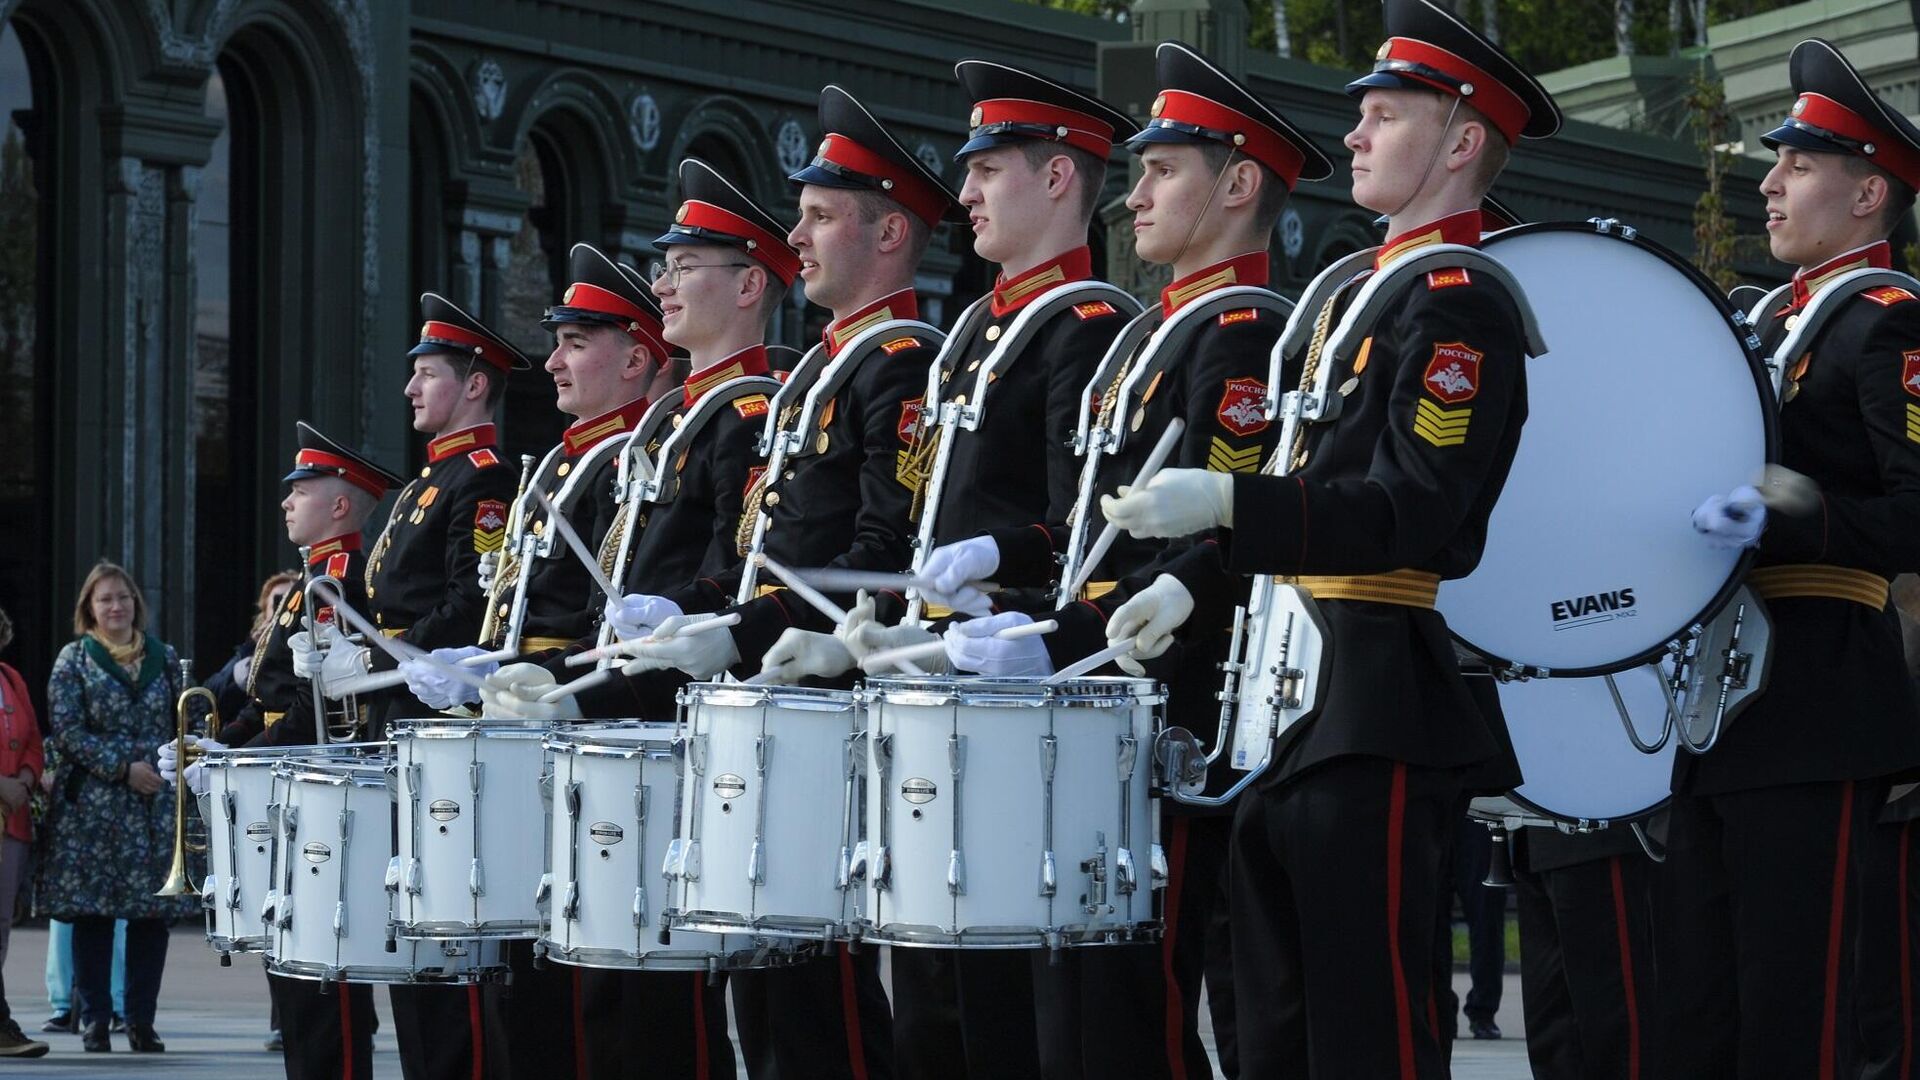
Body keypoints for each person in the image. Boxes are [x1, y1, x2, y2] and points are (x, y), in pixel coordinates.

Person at [1097, 1, 1559, 1073]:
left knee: (1367, 1030)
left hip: (1371, 697)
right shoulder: (1355, 295)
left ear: (1458, 143)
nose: (1352, 134)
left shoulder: (1460, 306)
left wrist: (1226, 508)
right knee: (1271, 1032)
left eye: (1385, 114)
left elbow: (1411, 514)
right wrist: (1197, 576)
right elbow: (1311, 482)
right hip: (1283, 702)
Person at [900, 41, 1323, 1078]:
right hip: (1096, 695)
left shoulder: (1239, 332)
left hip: (1164, 711)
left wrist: (1064, 633)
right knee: (1064, 1017)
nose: (1134, 196)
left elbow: (1212, 550)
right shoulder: (1154, 338)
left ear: (1236, 186)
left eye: (1162, 170)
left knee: (1124, 1016)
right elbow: (1079, 530)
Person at [1681, 37, 1920, 1077]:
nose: (1769, 183)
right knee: (1703, 1014)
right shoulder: (1758, 323)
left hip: (1821, 700)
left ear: (1871, 193)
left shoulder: (1891, 324)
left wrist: (1797, 510)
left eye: (1799, 165)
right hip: (1720, 704)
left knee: (1799, 1016)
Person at [405, 243, 675, 1079]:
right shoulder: (559, 461)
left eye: (575, 343)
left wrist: (537, 678)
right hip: (533, 747)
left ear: (636, 359)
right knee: (532, 992)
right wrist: (476, 662)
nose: (552, 360)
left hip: (599, 747)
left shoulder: (637, 458)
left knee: (607, 1006)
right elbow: (513, 607)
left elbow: (613, 617)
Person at [296, 293, 526, 1080]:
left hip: (441, 727)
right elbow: (371, 601)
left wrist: (393, 655)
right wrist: (329, 649)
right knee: (408, 942)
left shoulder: (484, 478)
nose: (410, 390)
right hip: (393, 725)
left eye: (427, 374)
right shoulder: (413, 491)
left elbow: (479, 594)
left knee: (446, 947)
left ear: (473, 385)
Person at [166, 424, 401, 1078]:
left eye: (302, 490)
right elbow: (270, 695)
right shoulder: (308, 578)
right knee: (292, 962)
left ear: (342, 505)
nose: (286, 502)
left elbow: (321, 703)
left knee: (323, 970)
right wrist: (217, 742)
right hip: (286, 774)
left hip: (316, 782)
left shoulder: (337, 578)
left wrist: (248, 753)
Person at [42, 561, 193, 1053]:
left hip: (153, 806)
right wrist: (122, 766)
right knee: (94, 916)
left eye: (123, 597)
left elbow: (181, 722)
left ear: (135, 603)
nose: (115, 606)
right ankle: (96, 1020)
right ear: (89, 607)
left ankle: (142, 1021)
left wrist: (158, 767)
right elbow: (66, 731)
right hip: (96, 807)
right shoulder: (74, 659)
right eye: (105, 599)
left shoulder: (164, 657)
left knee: (152, 918)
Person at [0, 605, 46, 1058]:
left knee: (1, 928)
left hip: (12, 819)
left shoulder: (11, 678)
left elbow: (33, 738)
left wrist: (27, 780)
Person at [207, 571, 300, 732]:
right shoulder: (252, 646)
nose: (286, 608)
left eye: (291, 601)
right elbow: (212, 693)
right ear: (266, 612)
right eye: (279, 602)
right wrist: (255, 650)